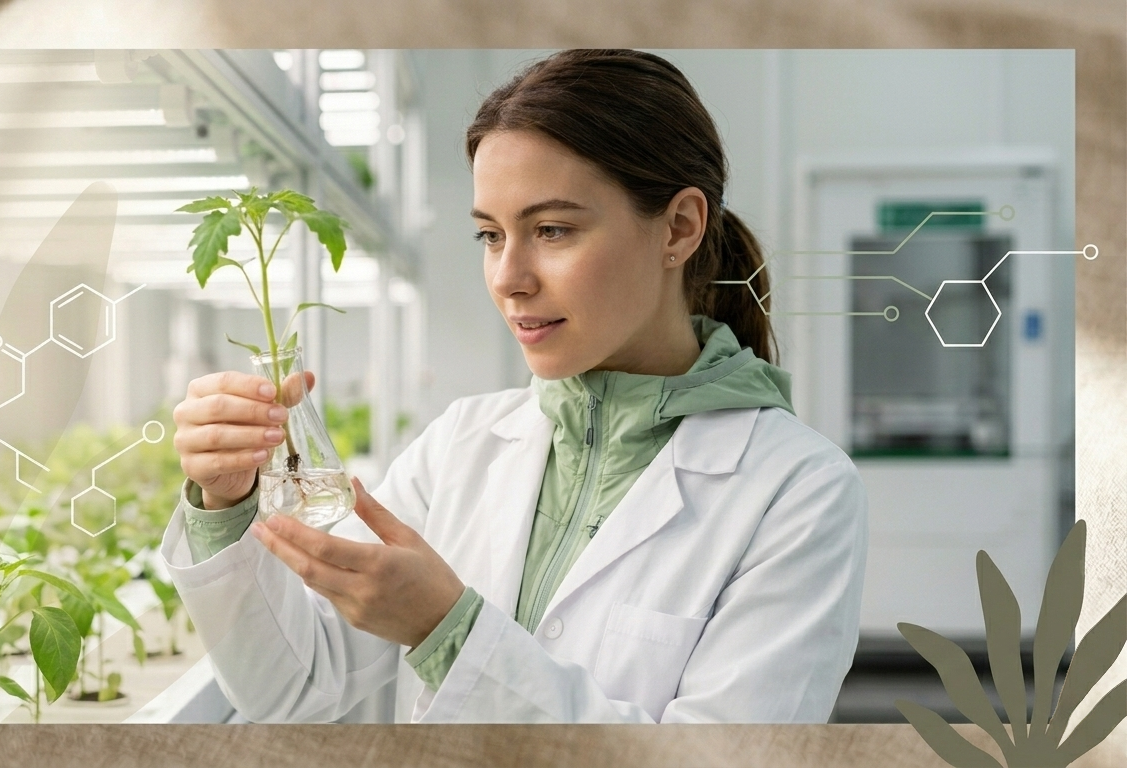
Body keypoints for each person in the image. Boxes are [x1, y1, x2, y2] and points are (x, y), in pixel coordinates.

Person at [158, 48, 868, 723]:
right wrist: (226, 502)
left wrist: (447, 632)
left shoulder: (797, 490)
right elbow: (294, 688)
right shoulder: (460, 446)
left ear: (677, 228)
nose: (508, 278)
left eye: (552, 230)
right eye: (490, 236)